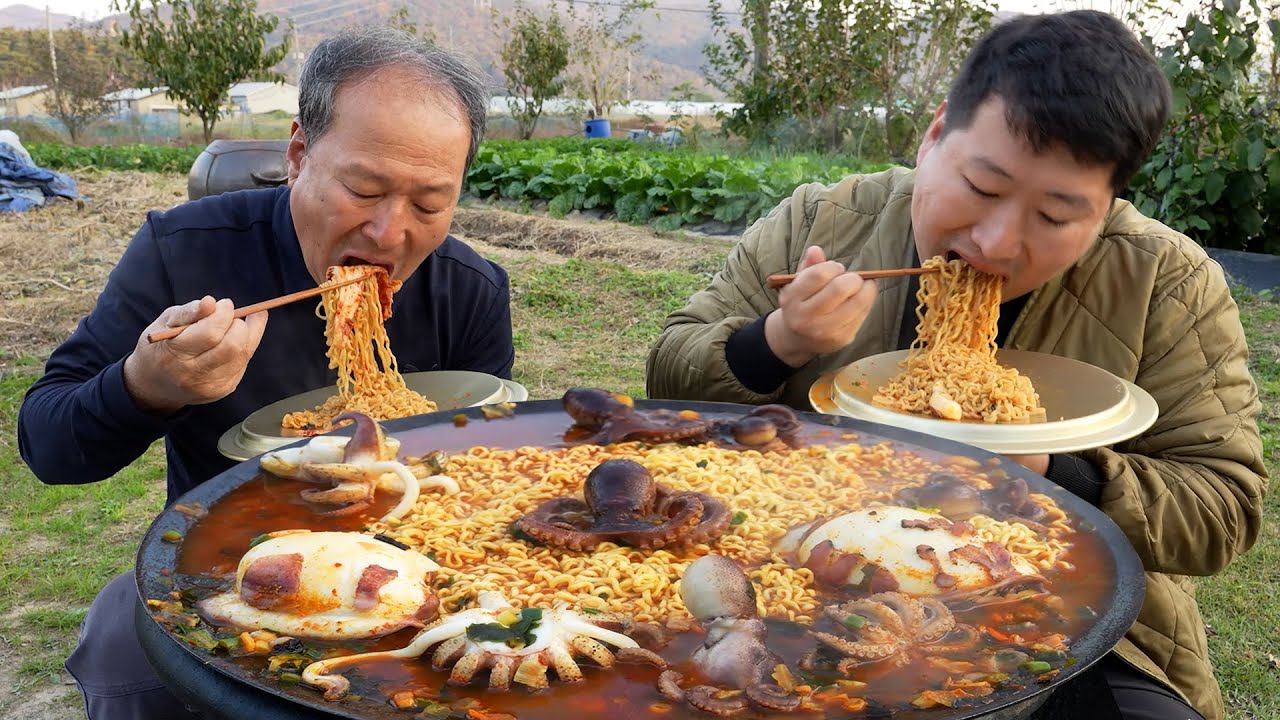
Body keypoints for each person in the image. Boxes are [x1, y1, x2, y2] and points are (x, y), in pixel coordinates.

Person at [646, 10, 1266, 720]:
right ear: (935, 133)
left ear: (1104, 211)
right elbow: (668, 379)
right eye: (983, 186)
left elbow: (1223, 508)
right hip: (784, 584)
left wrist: (1049, 469)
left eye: (1055, 217)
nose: (997, 242)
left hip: (1074, 620)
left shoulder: (1166, 281)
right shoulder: (820, 220)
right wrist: (779, 340)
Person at [17, 27, 513, 719]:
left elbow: (480, 467)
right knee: (121, 658)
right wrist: (145, 386)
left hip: (414, 563)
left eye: (429, 204)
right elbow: (48, 447)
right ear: (298, 155)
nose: (389, 234)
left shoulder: (469, 289)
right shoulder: (183, 252)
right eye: (364, 189)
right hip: (223, 561)